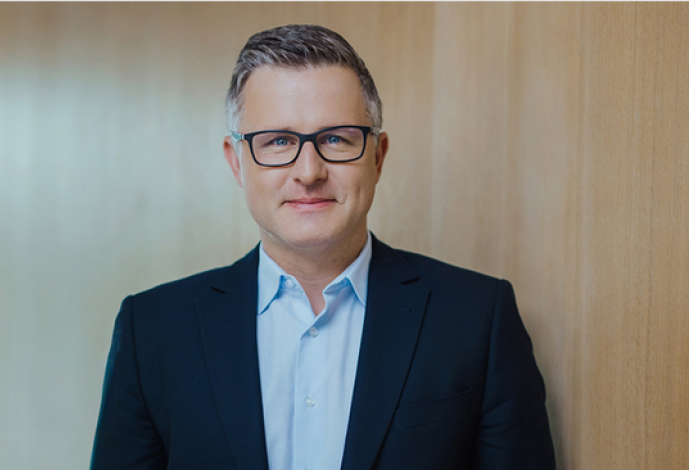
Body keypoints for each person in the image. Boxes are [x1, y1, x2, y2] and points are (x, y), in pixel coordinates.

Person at [91, 24, 555, 470]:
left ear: (378, 157)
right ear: (236, 163)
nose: (309, 172)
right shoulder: (151, 331)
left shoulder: (478, 319)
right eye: (278, 141)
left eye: (335, 139)